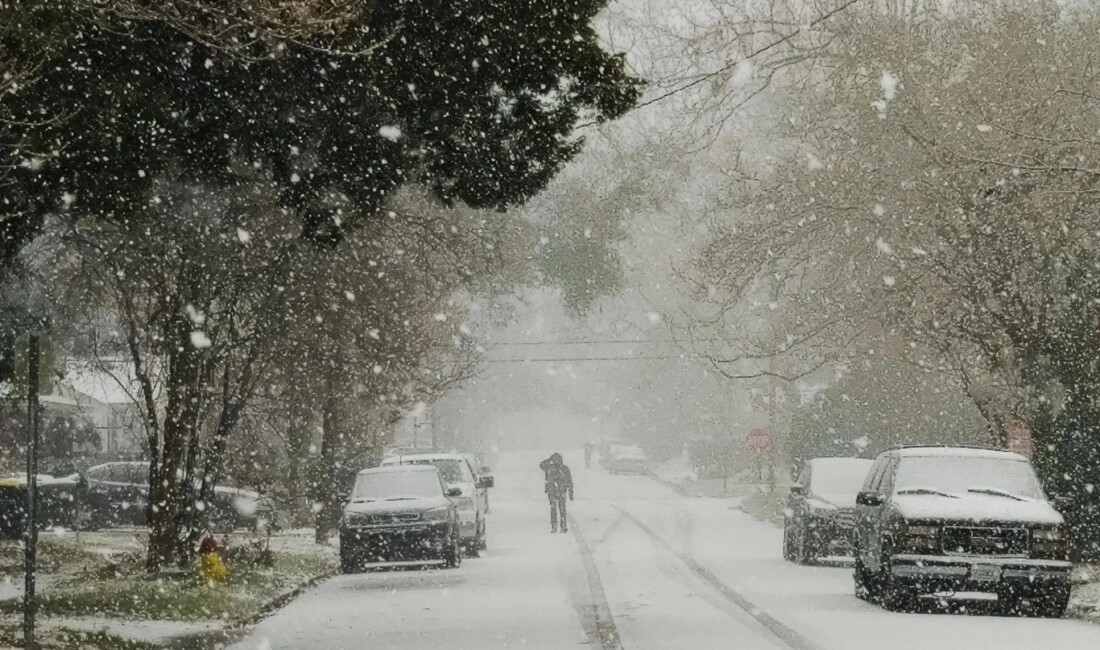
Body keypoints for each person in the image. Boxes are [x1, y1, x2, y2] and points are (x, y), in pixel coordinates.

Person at [539, 453, 573, 533]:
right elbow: (569, 481)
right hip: (559, 490)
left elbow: (542, 465)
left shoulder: (550, 468)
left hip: (554, 490)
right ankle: (562, 526)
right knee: (560, 508)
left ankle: (556, 526)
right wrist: (570, 492)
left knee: (555, 508)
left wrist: (549, 460)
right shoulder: (563, 468)